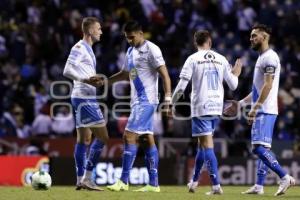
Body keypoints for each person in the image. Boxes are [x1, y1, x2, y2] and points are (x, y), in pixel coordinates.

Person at [224, 24, 295, 196]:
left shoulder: (269, 58)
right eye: (250, 36)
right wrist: (241, 103)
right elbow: (257, 89)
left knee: (257, 148)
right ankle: (259, 186)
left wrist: (255, 108)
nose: (251, 38)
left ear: (264, 37)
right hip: (264, 108)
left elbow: (268, 85)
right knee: (264, 148)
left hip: (265, 109)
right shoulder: (261, 57)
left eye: (254, 35)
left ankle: (285, 177)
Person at [171, 30, 242, 195]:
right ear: (209, 41)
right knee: (202, 146)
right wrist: (236, 74)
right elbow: (233, 86)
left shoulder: (192, 59)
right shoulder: (221, 58)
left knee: (207, 146)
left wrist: (171, 102)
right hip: (217, 107)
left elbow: (182, 86)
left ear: (195, 43)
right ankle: (194, 181)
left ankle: (216, 186)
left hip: (201, 106)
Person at [105, 20, 171, 192]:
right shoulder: (130, 51)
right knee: (146, 139)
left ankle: (123, 181)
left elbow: (165, 75)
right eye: (127, 38)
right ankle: (154, 184)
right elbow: (126, 74)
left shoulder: (152, 49)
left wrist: (169, 99)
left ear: (141, 33)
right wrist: (106, 81)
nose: (130, 41)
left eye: (132, 37)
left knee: (128, 135)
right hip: (137, 101)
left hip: (147, 99)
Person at [63, 17, 109, 191]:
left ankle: (79, 179)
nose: (101, 31)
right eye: (98, 28)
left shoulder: (88, 49)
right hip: (84, 98)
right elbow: (66, 70)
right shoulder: (79, 47)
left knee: (84, 139)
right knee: (103, 137)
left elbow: (84, 73)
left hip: (83, 96)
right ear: (90, 31)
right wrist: (86, 80)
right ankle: (88, 178)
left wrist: (94, 81)